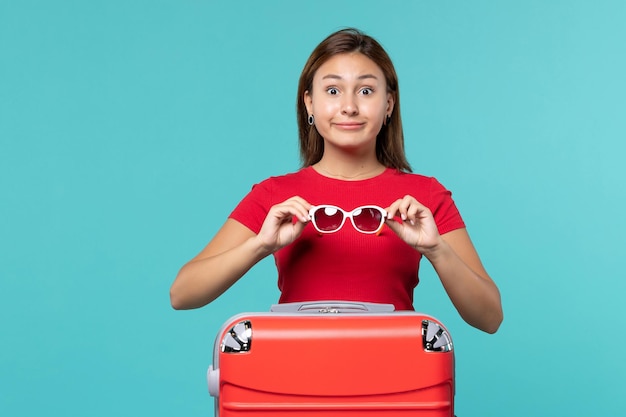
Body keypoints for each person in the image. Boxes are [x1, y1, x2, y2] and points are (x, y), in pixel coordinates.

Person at [170, 28, 503, 333]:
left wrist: (437, 250)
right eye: (333, 90)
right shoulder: (275, 194)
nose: (349, 106)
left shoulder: (424, 197)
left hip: (395, 384)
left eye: (366, 90)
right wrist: (260, 246)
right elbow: (183, 293)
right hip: (293, 385)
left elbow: (489, 317)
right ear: (309, 103)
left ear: (388, 104)